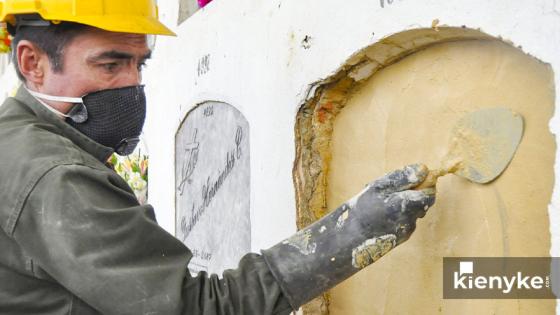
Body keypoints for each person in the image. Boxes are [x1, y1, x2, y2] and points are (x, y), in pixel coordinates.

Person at [0, 1, 436, 314]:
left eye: (140, 65)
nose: (132, 85)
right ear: (32, 62)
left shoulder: (15, 138)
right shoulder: (56, 177)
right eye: (110, 65)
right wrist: (353, 232)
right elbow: (197, 309)